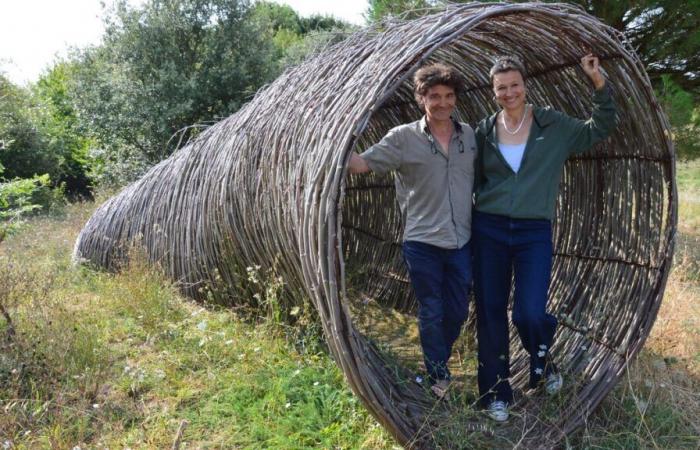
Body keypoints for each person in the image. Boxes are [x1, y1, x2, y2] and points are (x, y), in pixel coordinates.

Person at [473, 54, 617, 421]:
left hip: (532, 230)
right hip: (488, 228)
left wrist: (598, 82)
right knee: (490, 313)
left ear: (525, 85)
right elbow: (470, 181)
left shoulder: (552, 124)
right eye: (501, 87)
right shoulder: (484, 131)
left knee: (530, 311)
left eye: (514, 85)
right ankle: (495, 393)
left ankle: (543, 363)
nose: (509, 92)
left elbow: (599, 127)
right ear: (494, 92)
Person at [348, 63, 476, 398]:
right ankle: (438, 377)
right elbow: (363, 164)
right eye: (434, 96)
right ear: (421, 98)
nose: (443, 103)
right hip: (422, 240)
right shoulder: (403, 138)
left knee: (458, 310)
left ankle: (438, 360)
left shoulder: (470, 136)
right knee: (431, 308)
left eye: (449, 96)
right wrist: (335, 142)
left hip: (461, 239)